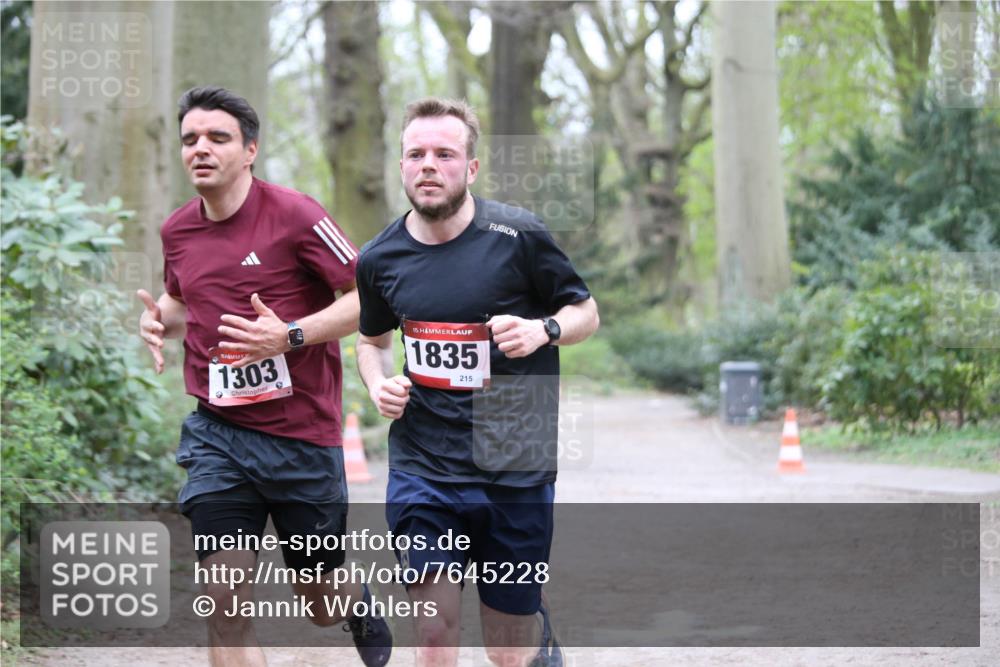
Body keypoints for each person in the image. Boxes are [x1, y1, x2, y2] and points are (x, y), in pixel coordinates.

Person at [136, 86, 391, 667]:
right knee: (223, 601)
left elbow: (366, 300)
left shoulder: (298, 216)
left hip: (302, 439)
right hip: (218, 436)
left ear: (249, 150)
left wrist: (290, 335)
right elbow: (182, 305)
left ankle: (351, 599)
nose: (201, 148)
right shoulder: (177, 230)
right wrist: (156, 323)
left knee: (318, 601)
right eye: (190, 139)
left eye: (217, 138)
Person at [356, 97, 599, 667]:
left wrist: (545, 330)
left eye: (445, 153)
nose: (428, 165)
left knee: (505, 652)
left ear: (471, 167)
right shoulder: (379, 257)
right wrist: (376, 384)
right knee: (435, 633)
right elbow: (370, 342)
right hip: (424, 467)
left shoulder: (519, 237)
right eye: (416, 154)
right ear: (401, 166)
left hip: (514, 464)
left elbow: (586, 312)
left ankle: (537, 646)